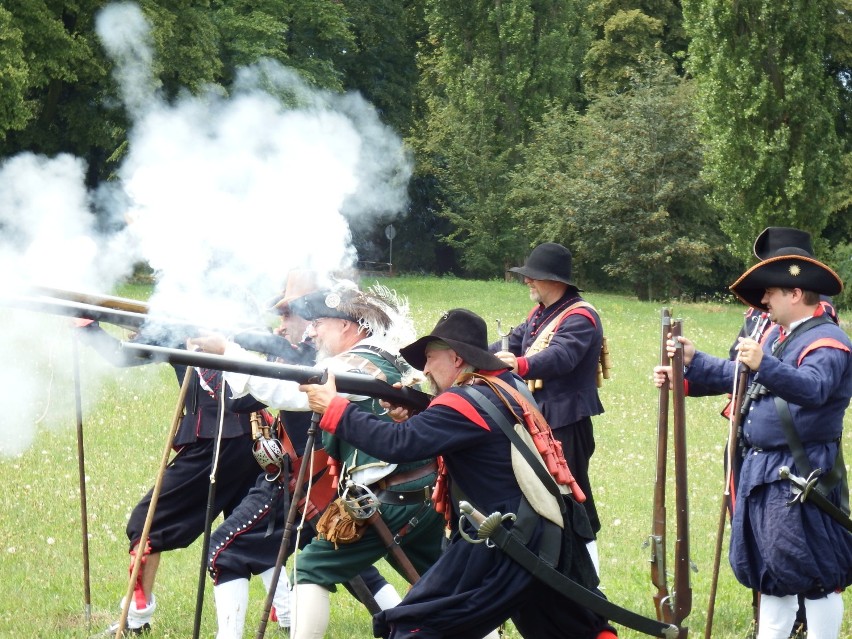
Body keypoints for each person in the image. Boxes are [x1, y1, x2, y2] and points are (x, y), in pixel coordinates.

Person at [299, 308, 618, 639]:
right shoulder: (506, 385)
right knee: (575, 628)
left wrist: (335, 408)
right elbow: (469, 427)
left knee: (416, 628)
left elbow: (398, 444)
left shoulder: (463, 403)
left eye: (429, 358)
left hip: (504, 538)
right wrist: (417, 410)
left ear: (454, 358)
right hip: (543, 531)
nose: (424, 368)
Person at [191, 282, 445, 639]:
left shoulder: (353, 366)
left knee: (310, 567)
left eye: (320, 322)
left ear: (346, 326)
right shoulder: (390, 354)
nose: (312, 330)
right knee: (447, 585)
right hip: (425, 494)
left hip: (391, 498)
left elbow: (285, 392)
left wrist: (226, 350)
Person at [654, 247, 852, 639]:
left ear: (795, 294)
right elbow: (742, 376)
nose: (763, 300)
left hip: (802, 471)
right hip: (763, 470)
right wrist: (693, 361)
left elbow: (813, 389)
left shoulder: (829, 341)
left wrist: (765, 363)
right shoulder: (782, 337)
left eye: (772, 293)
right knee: (771, 573)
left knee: (817, 574)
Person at [77, 322, 262, 636]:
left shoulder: (181, 325)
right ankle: (287, 611)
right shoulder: (214, 314)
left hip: (216, 441)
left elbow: (122, 356)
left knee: (146, 523)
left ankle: (135, 618)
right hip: (252, 438)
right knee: (254, 531)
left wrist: (89, 329)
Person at [491, 241, 605, 570]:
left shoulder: (581, 316)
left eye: (534, 277)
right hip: (541, 419)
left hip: (568, 421)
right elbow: (511, 341)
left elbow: (562, 357)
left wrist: (520, 365)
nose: (528, 282)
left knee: (575, 500)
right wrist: (469, 357)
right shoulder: (541, 314)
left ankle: (593, 577)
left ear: (555, 281)